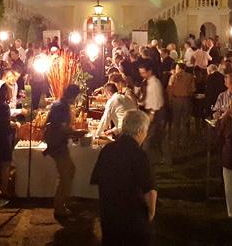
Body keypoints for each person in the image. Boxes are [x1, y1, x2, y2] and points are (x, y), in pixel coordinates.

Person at [91, 110, 157, 246]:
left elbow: (97, 180)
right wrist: (150, 214)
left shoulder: (107, 150)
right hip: (132, 220)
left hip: (109, 216)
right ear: (139, 131)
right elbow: (150, 190)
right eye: (145, 131)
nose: (146, 134)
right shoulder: (139, 155)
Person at [43, 84, 84, 219]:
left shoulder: (58, 104)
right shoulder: (62, 107)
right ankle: (60, 207)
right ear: (73, 95)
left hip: (57, 143)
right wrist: (77, 133)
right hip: (58, 145)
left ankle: (63, 201)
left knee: (69, 171)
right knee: (66, 174)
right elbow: (61, 128)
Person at [139, 62, 167, 164]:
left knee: (149, 137)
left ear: (149, 71)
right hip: (152, 112)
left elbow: (156, 101)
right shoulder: (149, 82)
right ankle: (162, 158)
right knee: (156, 137)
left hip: (156, 113)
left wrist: (152, 113)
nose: (142, 75)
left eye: (143, 73)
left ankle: (145, 159)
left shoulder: (155, 84)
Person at [167, 62, 195, 146]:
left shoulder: (173, 77)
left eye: (176, 68)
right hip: (186, 100)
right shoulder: (190, 77)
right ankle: (184, 141)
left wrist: (170, 100)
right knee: (185, 121)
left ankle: (175, 141)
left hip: (176, 100)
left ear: (179, 68)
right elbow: (193, 90)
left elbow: (169, 89)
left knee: (176, 121)